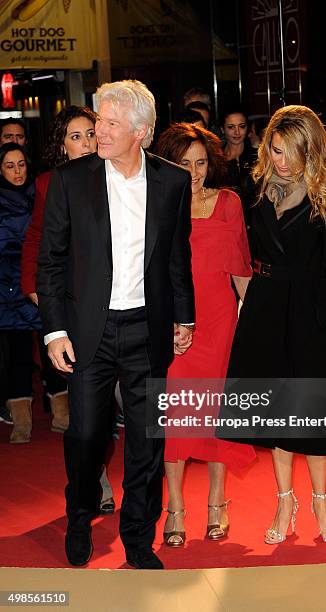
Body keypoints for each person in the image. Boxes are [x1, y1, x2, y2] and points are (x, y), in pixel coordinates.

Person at [37, 80, 195, 570]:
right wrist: (55, 331)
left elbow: (176, 255)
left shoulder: (171, 181)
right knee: (86, 435)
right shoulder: (71, 180)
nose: (98, 132)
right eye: (98, 121)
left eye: (108, 123)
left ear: (140, 132)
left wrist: (184, 315)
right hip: (89, 332)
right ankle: (81, 517)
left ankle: (138, 538)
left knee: (147, 441)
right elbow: (51, 263)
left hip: (148, 330)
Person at [223, 105, 326, 546]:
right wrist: (245, 299)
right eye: (275, 150)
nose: (281, 161)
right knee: (275, 412)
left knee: (311, 413)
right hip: (265, 306)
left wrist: (321, 316)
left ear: (310, 150)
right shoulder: (255, 188)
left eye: (290, 153)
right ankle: (284, 499)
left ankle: (320, 500)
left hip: (308, 310)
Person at [155, 123, 255, 547]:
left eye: (200, 163)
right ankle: (174, 506)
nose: (193, 172)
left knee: (215, 415)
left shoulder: (228, 202)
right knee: (176, 415)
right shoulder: (157, 204)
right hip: (175, 323)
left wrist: (249, 323)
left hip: (220, 322)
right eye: (184, 163)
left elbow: (242, 269)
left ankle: (217, 502)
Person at [21, 105, 115, 514]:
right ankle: (95, 482)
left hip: (117, 307)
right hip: (74, 311)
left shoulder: (117, 178)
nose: (86, 143)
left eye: (90, 135)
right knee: (87, 410)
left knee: (110, 404)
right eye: (75, 136)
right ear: (62, 145)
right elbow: (36, 241)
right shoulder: (49, 184)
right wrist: (41, 296)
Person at [0, 143, 40, 443]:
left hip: (40, 281)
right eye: (10, 165)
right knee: (18, 355)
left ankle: (63, 413)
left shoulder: (40, 193)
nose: (17, 171)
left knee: (55, 348)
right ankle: (22, 421)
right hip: (6, 288)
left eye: (21, 164)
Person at [222, 107, 257, 228]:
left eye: (242, 126)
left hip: (255, 224)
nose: (237, 132)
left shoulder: (258, 157)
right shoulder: (216, 160)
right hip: (226, 224)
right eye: (231, 127)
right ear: (222, 129)